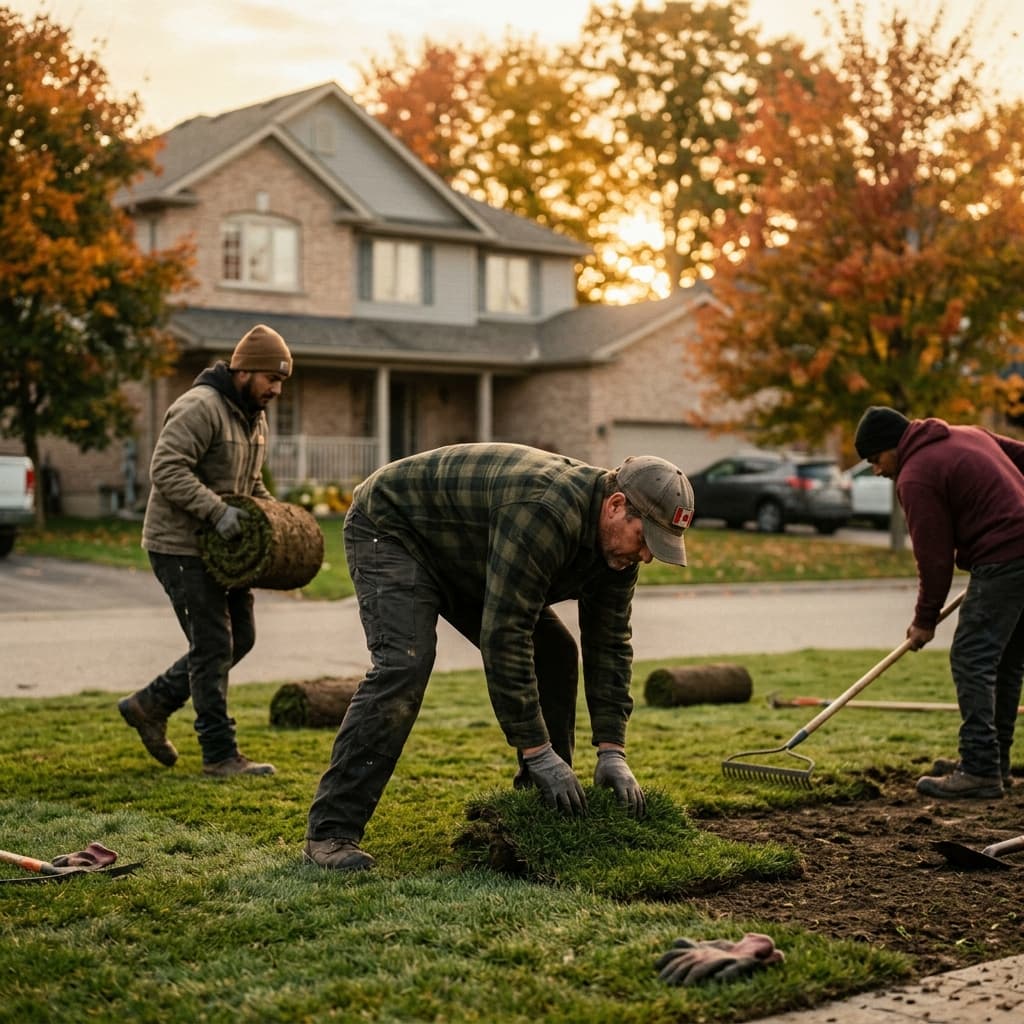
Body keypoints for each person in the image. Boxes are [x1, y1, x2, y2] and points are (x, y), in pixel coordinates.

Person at [304, 444, 694, 870]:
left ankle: (541, 803)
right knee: (404, 663)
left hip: (468, 549)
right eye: (645, 539)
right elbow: (506, 634)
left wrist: (611, 749)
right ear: (617, 505)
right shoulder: (546, 510)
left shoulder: (618, 553)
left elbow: (611, 643)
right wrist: (537, 750)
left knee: (556, 654)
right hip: (395, 527)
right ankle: (330, 833)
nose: (646, 555)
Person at [118, 324, 293, 777]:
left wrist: (272, 517)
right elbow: (167, 470)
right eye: (271, 379)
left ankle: (150, 704)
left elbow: (250, 482)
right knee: (214, 645)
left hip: (223, 549)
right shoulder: (200, 408)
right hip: (179, 545)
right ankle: (219, 753)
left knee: (242, 638)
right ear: (244, 370)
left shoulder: (253, 417)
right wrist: (216, 512)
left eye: (281, 381)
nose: (276, 388)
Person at [854, 405, 1024, 800]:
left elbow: (933, 558)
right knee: (1005, 661)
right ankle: (993, 762)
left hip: (1003, 558)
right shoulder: (970, 434)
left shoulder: (916, 476)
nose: (877, 470)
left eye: (876, 460)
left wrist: (924, 620)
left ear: (893, 447)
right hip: (1014, 554)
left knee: (972, 656)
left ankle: (980, 768)